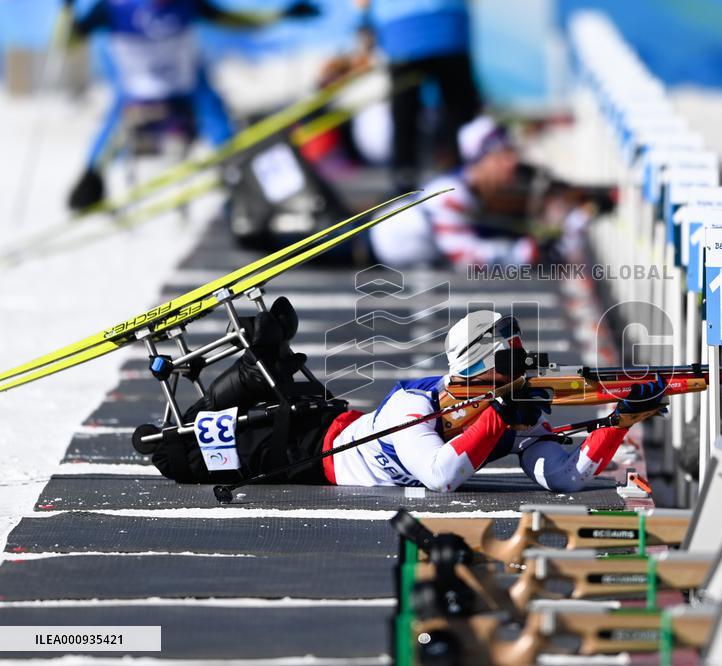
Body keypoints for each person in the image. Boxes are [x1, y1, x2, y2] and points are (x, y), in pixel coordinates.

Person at [149, 307, 665, 494]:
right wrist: (498, 421)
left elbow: (568, 475)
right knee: (173, 451)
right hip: (308, 451)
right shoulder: (413, 408)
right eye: (508, 362)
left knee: (269, 398)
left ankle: (266, 364)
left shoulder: (511, 416)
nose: (522, 368)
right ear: (478, 371)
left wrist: (620, 419)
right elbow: (441, 477)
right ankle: (253, 366)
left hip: (334, 421)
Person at [66, 0, 320, 211]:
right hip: (137, 90)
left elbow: (236, 20)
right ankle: (90, 179)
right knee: (117, 117)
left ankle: (236, 172)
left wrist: (281, 15)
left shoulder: (186, 3)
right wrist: (67, 11)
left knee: (213, 110)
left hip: (183, 88)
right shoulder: (113, 6)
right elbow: (70, 39)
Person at [369, 115, 612, 269]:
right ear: (480, 161)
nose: (512, 162)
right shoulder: (450, 196)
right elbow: (466, 257)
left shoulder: (477, 190)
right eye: (501, 155)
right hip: (373, 251)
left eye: (511, 152)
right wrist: (540, 250)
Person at [357, 0, 481, 192]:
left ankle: (405, 181)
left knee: (406, 114)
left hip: (403, 27)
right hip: (445, 22)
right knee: (459, 114)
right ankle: (467, 179)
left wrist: (364, 24)